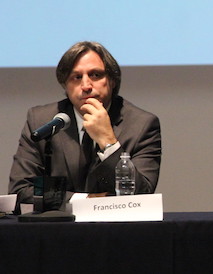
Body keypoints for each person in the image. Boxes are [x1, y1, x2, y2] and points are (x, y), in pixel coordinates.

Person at [9, 41, 162, 205]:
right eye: (76, 77)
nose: (86, 86)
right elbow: (20, 190)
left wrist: (108, 142)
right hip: (58, 228)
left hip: (116, 228)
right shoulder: (42, 120)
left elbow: (142, 195)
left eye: (95, 75)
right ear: (65, 85)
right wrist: (84, 200)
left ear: (112, 80)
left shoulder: (142, 124)